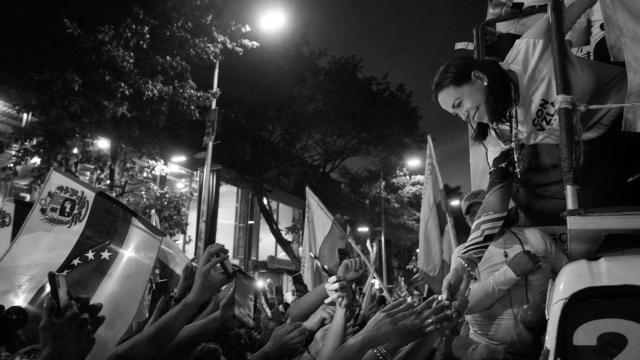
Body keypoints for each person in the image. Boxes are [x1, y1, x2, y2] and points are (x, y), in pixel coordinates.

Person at [434, 0, 640, 301]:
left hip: (631, 108)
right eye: (455, 114)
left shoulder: (532, 48)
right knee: (583, 199)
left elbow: (578, 5)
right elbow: (497, 194)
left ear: (479, 78)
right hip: (597, 141)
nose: (464, 115)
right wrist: (466, 265)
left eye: (459, 104)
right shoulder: (496, 131)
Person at [452, 191, 568, 359]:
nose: (479, 216)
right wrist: (512, 271)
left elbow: (570, 274)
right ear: (467, 220)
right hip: (488, 351)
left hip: (542, 347)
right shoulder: (462, 253)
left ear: (500, 211)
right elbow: (464, 304)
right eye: (471, 213)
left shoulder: (535, 238)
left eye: (484, 209)